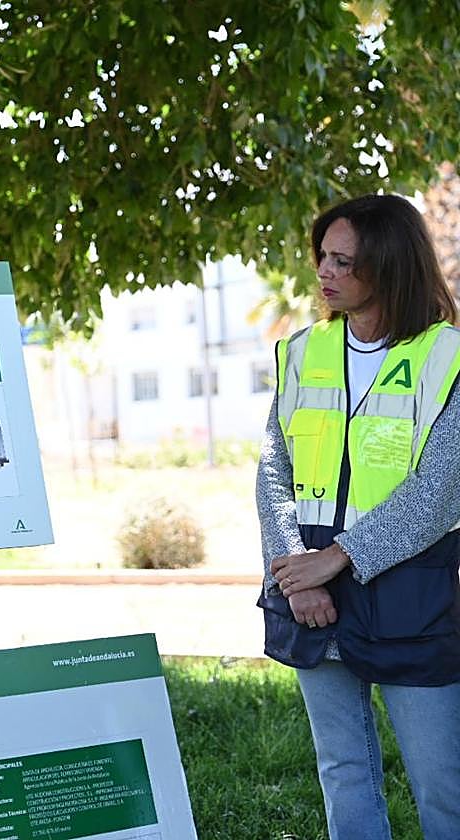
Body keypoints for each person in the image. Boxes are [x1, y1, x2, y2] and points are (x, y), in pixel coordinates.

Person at [256, 193, 460, 840]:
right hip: (310, 593)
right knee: (342, 772)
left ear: (389, 266)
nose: (325, 273)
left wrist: (337, 559)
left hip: (412, 592)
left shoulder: (446, 357)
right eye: (323, 257)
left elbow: (439, 492)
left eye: (344, 261)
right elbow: (271, 472)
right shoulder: (300, 352)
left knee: (443, 784)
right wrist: (298, 574)